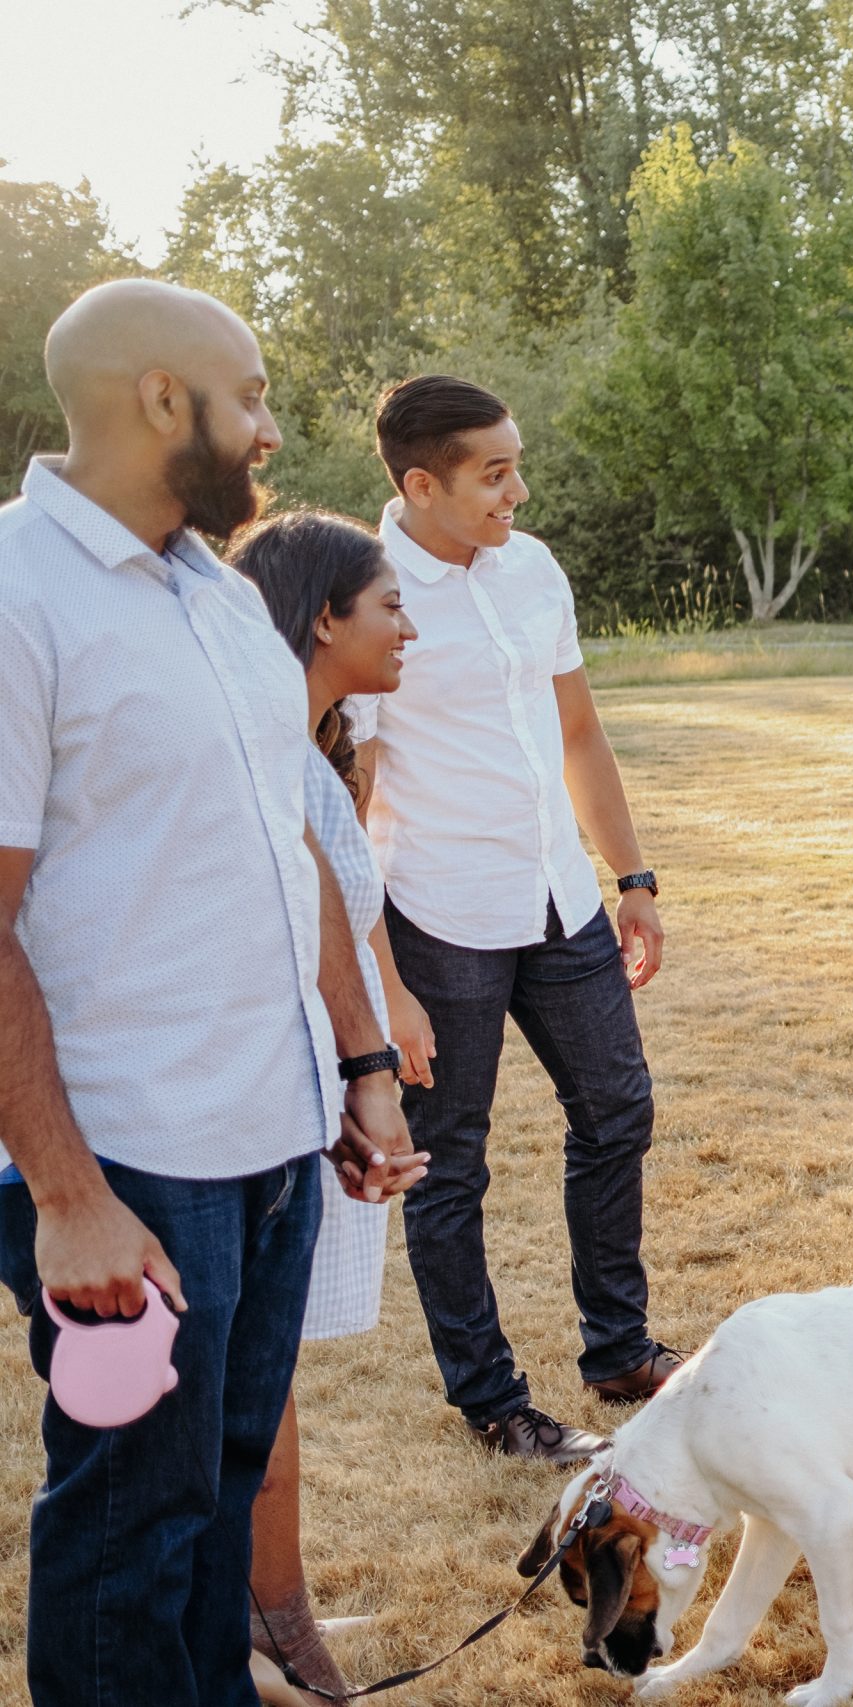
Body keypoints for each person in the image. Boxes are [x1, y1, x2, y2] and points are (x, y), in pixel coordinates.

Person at [0, 280, 420, 1707]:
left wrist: (360, 1060)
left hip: (270, 1134)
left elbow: (286, 837)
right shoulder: (16, 597)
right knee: (131, 1524)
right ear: (160, 401)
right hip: (125, 1159)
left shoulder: (222, 599)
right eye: (249, 397)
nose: (272, 427)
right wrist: (65, 1191)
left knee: (217, 1503)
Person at [350, 374, 675, 1464]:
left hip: (560, 899)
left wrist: (632, 877)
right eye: (495, 474)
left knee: (617, 1110)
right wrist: (381, 981)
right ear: (420, 483)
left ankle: (621, 1351)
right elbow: (344, 804)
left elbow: (577, 732)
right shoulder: (362, 592)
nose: (518, 492)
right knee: (451, 1162)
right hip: (439, 910)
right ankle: (493, 1401)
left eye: (516, 464)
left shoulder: (531, 568)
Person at [232, 510, 427, 1699]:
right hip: (257, 1100)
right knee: (252, 1384)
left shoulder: (312, 750)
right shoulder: (259, 755)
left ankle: (272, 1605)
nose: (408, 625)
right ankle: (266, 1621)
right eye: (390, 604)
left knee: (272, 1374)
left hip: (316, 1096)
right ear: (322, 619)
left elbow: (339, 932)